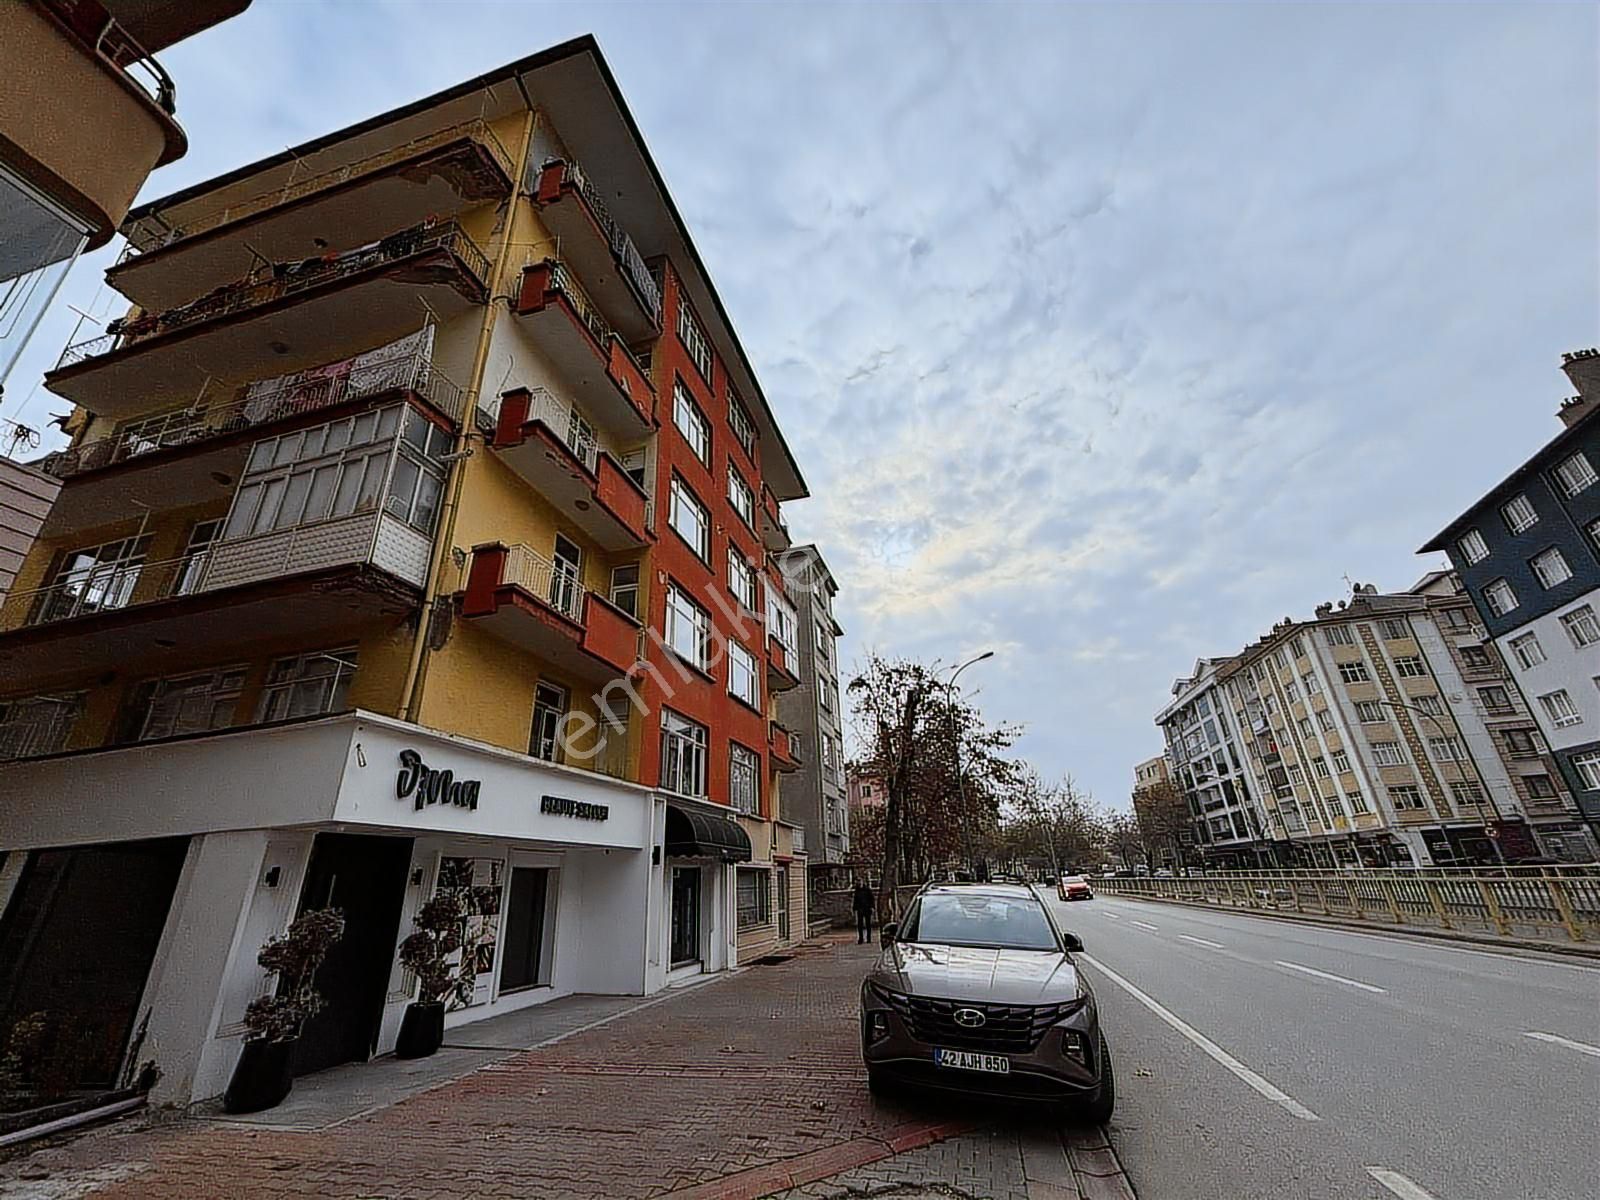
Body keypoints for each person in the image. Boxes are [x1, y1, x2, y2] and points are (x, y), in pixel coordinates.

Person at [852, 880, 876, 944]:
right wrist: (854, 909)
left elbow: (871, 899)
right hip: (860, 909)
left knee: (868, 924)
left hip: (867, 909)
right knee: (860, 925)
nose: (859, 883)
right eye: (858, 882)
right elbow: (855, 900)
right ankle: (861, 938)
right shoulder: (857, 891)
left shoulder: (867, 890)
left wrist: (872, 907)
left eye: (860, 881)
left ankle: (869, 938)